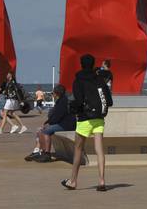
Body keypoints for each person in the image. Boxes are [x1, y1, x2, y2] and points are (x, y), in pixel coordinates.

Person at [62, 54, 113, 192]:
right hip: (99, 118)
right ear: (93, 64)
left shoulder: (78, 80)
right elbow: (109, 100)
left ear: (81, 64)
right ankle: (102, 181)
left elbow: (78, 101)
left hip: (85, 118)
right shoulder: (99, 79)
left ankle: (73, 181)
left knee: (78, 149)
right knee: (99, 149)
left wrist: (74, 109)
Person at [25, 84, 76, 162]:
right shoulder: (61, 100)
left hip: (66, 125)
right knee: (40, 130)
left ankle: (47, 154)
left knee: (46, 131)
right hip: (63, 123)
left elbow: (58, 116)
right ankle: (39, 152)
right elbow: (55, 116)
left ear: (56, 94)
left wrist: (49, 123)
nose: (53, 95)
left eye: (53, 93)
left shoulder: (63, 102)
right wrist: (47, 122)